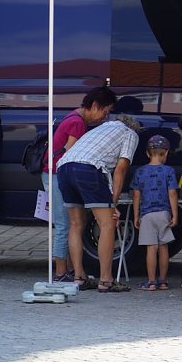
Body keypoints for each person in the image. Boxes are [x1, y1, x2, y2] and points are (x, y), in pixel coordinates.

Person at [57, 113, 141, 293]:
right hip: (88, 169)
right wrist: (114, 203)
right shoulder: (130, 133)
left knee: (75, 224)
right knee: (107, 224)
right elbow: (121, 169)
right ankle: (106, 280)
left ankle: (79, 277)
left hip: (64, 168)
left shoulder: (100, 129)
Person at [41, 86, 117, 282]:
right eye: (105, 111)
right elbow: (72, 154)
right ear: (94, 106)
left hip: (53, 173)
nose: (104, 118)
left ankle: (72, 270)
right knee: (64, 225)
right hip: (57, 174)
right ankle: (60, 272)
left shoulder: (72, 116)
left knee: (68, 224)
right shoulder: (78, 124)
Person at [131, 134, 179, 291]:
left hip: (146, 214)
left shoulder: (140, 171)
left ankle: (151, 281)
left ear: (147, 153)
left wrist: (136, 215)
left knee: (151, 248)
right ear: (166, 153)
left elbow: (136, 195)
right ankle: (163, 281)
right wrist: (175, 214)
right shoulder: (169, 171)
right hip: (164, 213)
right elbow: (172, 193)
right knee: (164, 247)